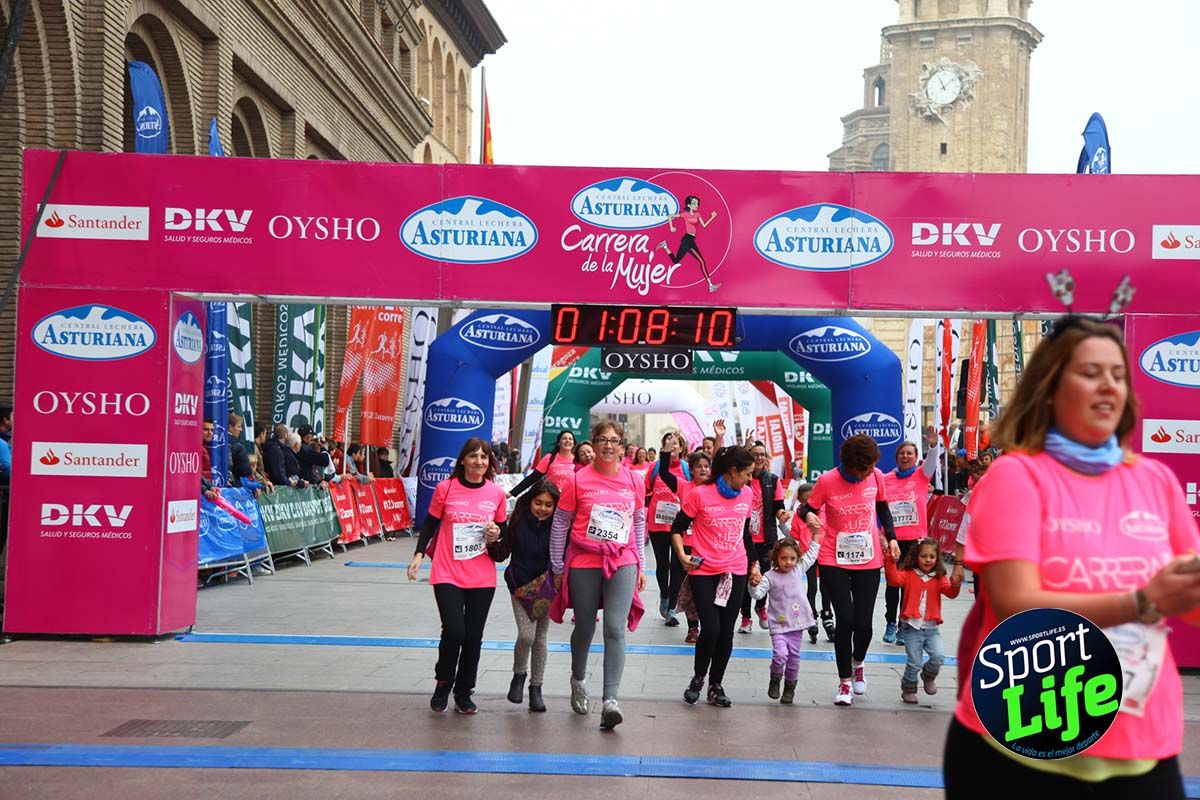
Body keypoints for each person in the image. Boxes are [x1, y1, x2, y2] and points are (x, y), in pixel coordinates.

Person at [945, 316, 1200, 798]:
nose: (1109, 385)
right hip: (1020, 745)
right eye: (1090, 372)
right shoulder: (1017, 476)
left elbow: (1191, 604)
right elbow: (1016, 607)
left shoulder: (1155, 481)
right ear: (1049, 388)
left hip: (1141, 749)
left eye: (1119, 374)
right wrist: (1141, 600)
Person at [549, 421, 646, 731]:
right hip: (584, 559)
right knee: (586, 626)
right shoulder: (578, 480)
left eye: (614, 441)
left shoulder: (634, 480)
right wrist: (557, 566)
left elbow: (639, 523)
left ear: (622, 446)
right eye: (602, 439)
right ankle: (578, 679)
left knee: (615, 628)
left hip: (623, 558)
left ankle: (610, 701)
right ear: (593, 443)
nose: (608, 445)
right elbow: (561, 523)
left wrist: (641, 564)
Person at [406, 437, 507, 715]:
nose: (479, 461)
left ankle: (464, 691)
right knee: (454, 631)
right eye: (473, 456)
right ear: (462, 460)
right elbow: (430, 524)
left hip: (482, 574)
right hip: (447, 570)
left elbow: (502, 535)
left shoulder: (495, 494)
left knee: (473, 636)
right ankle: (443, 683)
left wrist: (495, 535)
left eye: (484, 457)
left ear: (490, 463)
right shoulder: (446, 488)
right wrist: (418, 555)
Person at [799, 434, 899, 706]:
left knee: (864, 624)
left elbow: (883, 510)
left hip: (868, 558)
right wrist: (808, 516)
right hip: (834, 558)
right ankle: (844, 682)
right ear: (851, 463)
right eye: (862, 469)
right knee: (845, 619)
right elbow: (805, 508)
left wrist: (891, 538)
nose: (866, 473)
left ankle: (858, 663)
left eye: (870, 468)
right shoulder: (828, 480)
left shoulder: (876, 476)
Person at [670, 445, 759, 707]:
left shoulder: (747, 495)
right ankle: (698, 677)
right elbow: (677, 528)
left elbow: (745, 534)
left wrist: (754, 564)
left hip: (736, 570)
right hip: (704, 570)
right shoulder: (699, 494)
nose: (750, 479)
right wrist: (682, 556)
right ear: (733, 471)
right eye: (747, 473)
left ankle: (716, 684)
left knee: (726, 633)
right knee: (711, 628)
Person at [489, 480, 559, 713]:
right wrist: (490, 541)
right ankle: (519, 675)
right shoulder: (518, 522)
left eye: (548, 505)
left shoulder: (558, 528)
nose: (542, 508)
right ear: (529, 502)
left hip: (546, 588)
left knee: (540, 638)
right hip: (519, 585)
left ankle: (536, 688)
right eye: (538, 503)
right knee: (526, 636)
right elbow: (502, 552)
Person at [749, 534, 821, 704]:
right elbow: (758, 594)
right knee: (780, 654)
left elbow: (812, 554)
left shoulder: (798, 569)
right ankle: (775, 679)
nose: (788, 562)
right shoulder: (769, 577)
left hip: (797, 624)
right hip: (778, 625)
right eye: (784, 558)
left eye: (792, 558)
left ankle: (790, 687)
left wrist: (816, 534)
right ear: (776, 558)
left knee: (794, 657)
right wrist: (752, 585)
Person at [882, 440, 940, 646]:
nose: (905, 456)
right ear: (896, 457)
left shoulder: (922, 476)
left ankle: (902, 625)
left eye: (909, 453)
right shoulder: (886, 479)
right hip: (894, 540)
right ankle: (890, 623)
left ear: (916, 458)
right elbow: (880, 509)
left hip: (915, 540)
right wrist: (884, 538)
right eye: (902, 453)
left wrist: (933, 446)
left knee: (909, 586)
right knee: (892, 584)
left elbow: (932, 462)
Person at [897, 537, 960, 704]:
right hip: (911, 627)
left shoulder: (939, 577)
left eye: (932, 557)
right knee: (914, 661)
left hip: (931, 628)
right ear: (916, 556)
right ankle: (909, 688)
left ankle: (928, 675)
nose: (928, 560)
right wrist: (890, 561)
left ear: (937, 558)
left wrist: (956, 584)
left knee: (938, 656)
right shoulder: (909, 574)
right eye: (924, 556)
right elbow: (893, 580)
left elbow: (950, 593)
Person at [741, 441, 788, 633]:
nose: (759, 458)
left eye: (762, 454)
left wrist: (782, 515)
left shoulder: (773, 480)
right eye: (755, 454)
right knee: (744, 579)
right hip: (744, 538)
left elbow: (778, 506)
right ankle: (745, 617)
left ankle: (761, 607)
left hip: (766, 538)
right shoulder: (743, 478)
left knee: (764, 577)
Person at [646, 432, 691, 626]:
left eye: (676, 445)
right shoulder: (655, 467)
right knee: (662, 564)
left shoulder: (686, 468)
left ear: (681, 448)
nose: (672, 447)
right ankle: (664, 596)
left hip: (678, 525)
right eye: (668, 444)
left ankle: (671, 608)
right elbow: (646, 489)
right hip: (657, 523)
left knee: (678, 566)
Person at [671, 451, 710, 643]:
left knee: (707, 590)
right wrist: (667, 451)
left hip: (709, 548)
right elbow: (663, 474)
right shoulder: (684, 486)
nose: (703, 469)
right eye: (698, 466)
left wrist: (719, 438)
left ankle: (709, 625)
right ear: (691, 470)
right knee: (691, 589)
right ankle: (693, 627)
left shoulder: (715, 489)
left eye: (706, 466)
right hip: (687, 547)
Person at [789, 482, 832, 643]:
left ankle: (827, 615)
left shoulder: (826, 512)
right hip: (808, 556)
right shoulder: (799, 516)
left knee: (826, 587)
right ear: (800, 501)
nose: (808, 503)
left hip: (826, 554)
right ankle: (811, 615)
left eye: (811, 499)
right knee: (812, 586)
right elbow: (794, 536)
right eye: (804, 500)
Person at [655, 194, 721, 292]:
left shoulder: (697, 214)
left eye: (697, 204)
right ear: (689, 205)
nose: (696, 205)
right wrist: (671, 227)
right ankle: (710, 285)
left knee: (676, 261)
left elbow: (704, 225)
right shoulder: (685, 214)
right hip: (687, 240)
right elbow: (670, 216)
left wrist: (712, 217)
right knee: (702, 261)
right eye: (694, 203)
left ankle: (665, 246)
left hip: (690, 240)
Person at [510, 430, 576, 496]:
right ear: (559, 443)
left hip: (570, 500)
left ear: (573, 443)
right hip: (551, 499)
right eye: (564, 438)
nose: (568, 440)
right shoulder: (549, 458)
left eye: (570, 439)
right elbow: (532, 478)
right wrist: (512, 493)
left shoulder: (577, 460)